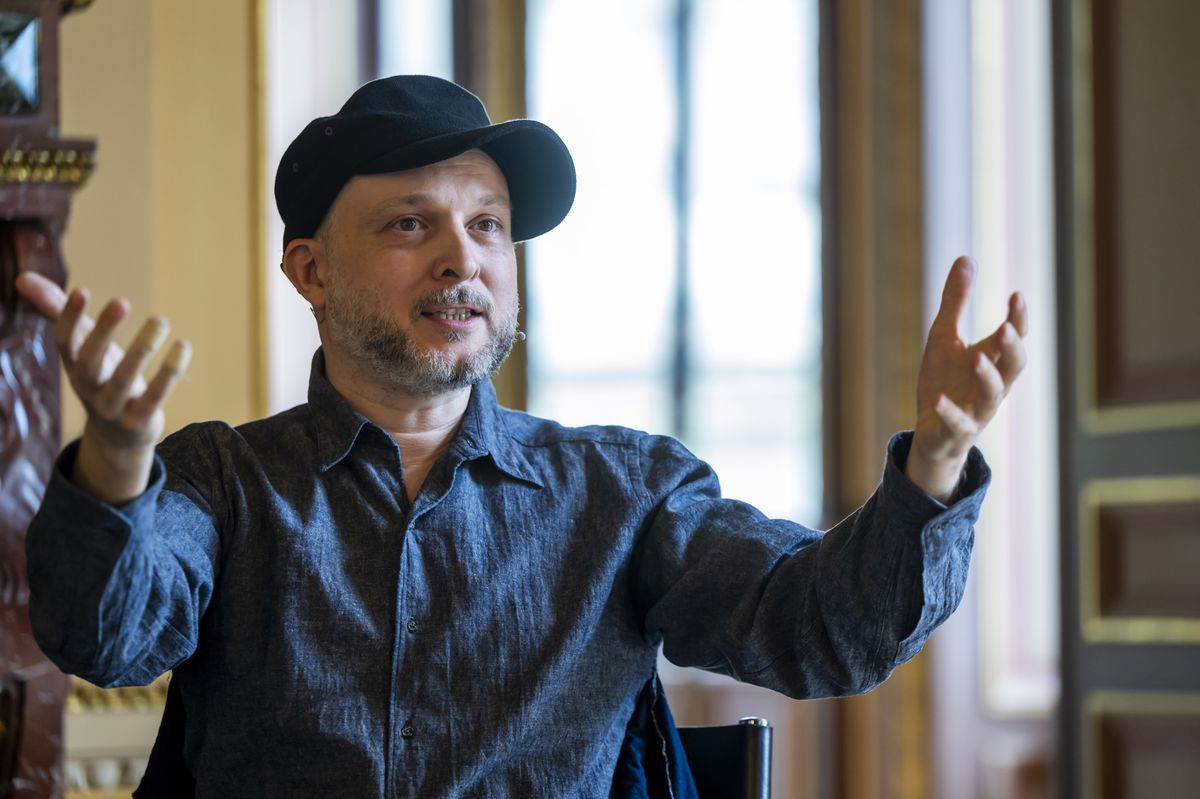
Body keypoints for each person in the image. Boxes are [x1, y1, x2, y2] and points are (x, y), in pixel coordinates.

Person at [18, 75, 1027, 797]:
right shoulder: (220, 481)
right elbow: (106, 636)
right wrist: (115, 455)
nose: (464, 257)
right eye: (411, 224)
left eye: (489, 225)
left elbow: (823, 629)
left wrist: (934, 460)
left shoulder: (624, 491)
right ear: (311, 271)